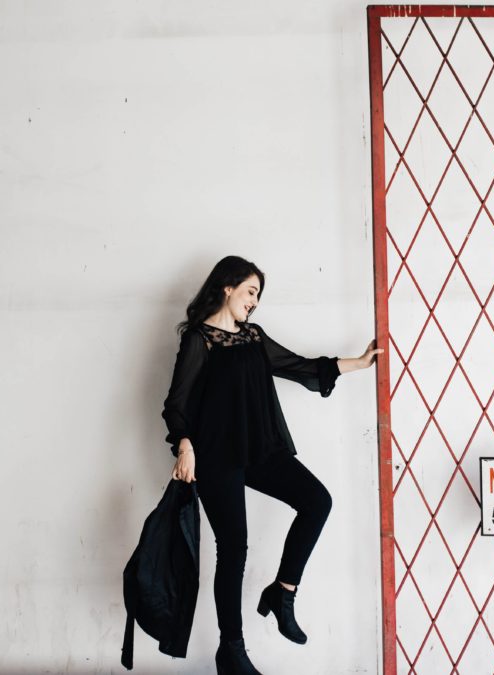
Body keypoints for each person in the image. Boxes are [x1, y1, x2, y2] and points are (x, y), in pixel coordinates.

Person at [161, 255, 382, 675]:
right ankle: (232, 651)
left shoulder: (253, 337)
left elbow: (298, 367)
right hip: (216, 456)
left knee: (317, 501)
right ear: (227, 287)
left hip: (260, 450)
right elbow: (177, 402)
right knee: (234, 550)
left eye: (258, 296)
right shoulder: (199, 339)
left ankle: (282, 592)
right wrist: (184, 445)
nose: (254, 302)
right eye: (250, 291)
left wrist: (357, 363)